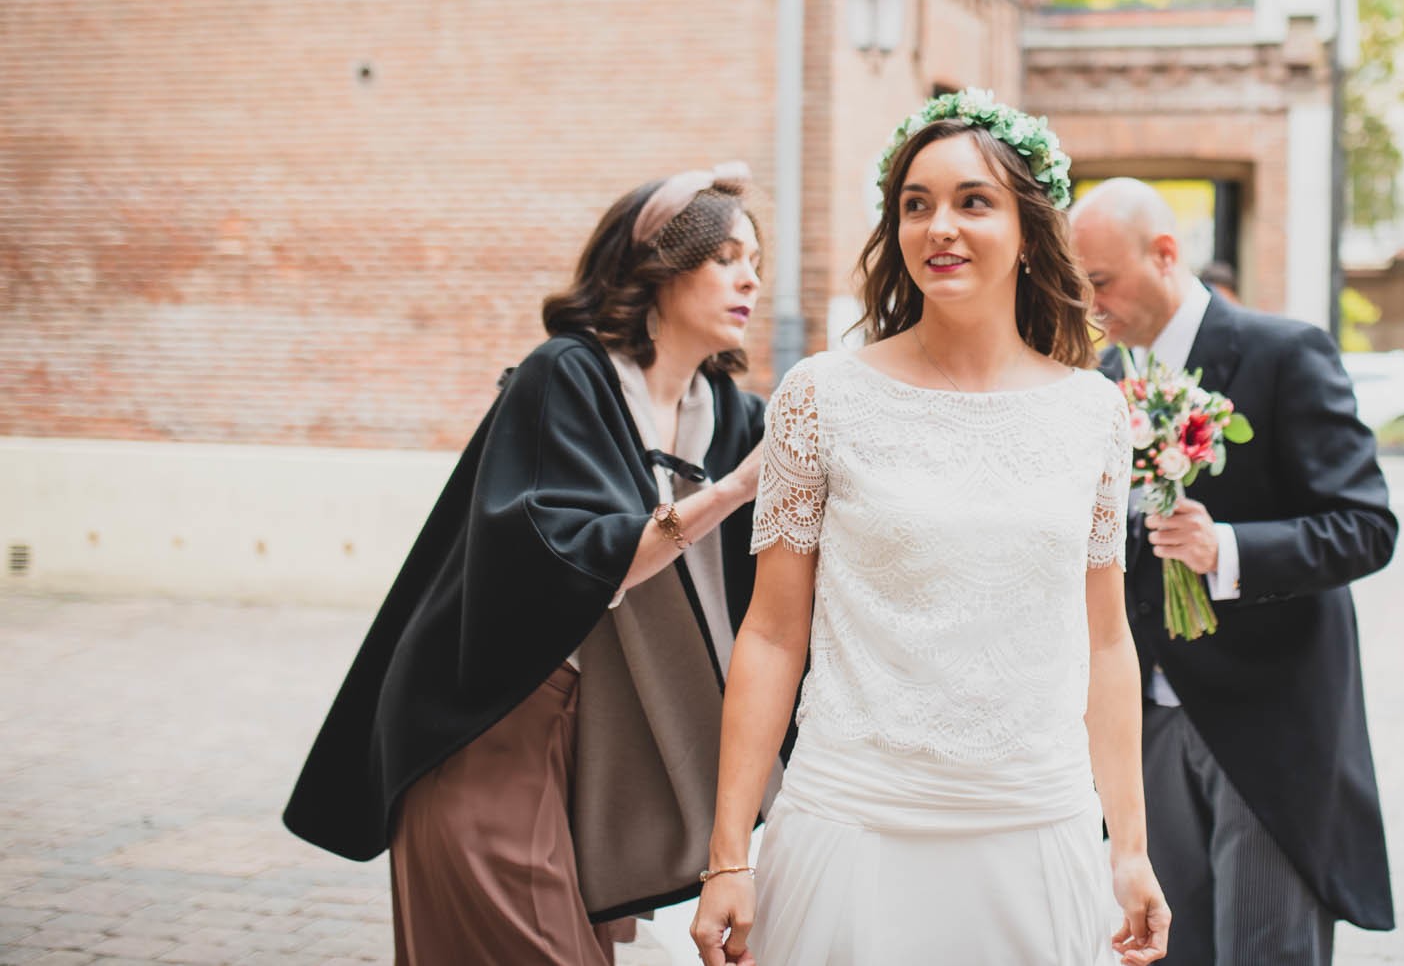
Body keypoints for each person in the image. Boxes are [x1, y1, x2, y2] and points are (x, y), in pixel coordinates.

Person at [690, 91, 1171, 966]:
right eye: (917, 204)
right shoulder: (820, 397)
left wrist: (1129, 848)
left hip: (1034, 828)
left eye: (971, 201)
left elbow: (1106, 641)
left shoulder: (1094, 413)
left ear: (1028, 227)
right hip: (856, 827)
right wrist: (730, 853)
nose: (938, 227)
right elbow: (768, 631)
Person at [284, 166, 771, 964]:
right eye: (724, 256)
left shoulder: (729, 415)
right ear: (656, 269)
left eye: (756, 257)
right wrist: (733, 490)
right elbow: (575, 553)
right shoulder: (566, 374)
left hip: (601, 756)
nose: (750, 275)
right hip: (487, 726)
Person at [1069, 178, 1397, 966]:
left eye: (1102, 282)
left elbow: (1366, 526)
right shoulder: (1098, 381)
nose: (1090, 304)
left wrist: (1230, 550)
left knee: (1266, 951)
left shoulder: (1285, 353)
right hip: (1145, 724)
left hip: (1266, 727)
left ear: (1167, 254)